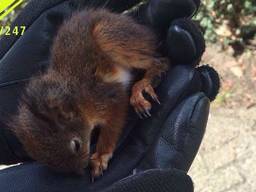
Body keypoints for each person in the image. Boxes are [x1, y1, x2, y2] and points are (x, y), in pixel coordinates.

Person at [0, 0, 219, 191]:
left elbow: (115, 107)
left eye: (78, 146)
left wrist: (103, 153)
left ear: (67, 113)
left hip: (112, 47)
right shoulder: (67, 115)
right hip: (107, 70)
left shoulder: (86, 103)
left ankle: (153, 69)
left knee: (109, 39)